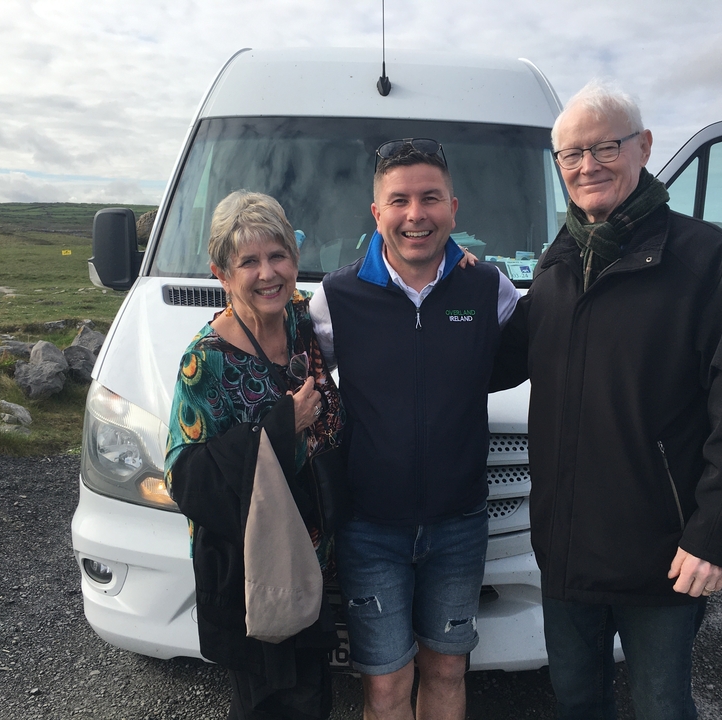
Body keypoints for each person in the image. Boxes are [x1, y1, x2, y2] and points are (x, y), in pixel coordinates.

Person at [492, 80, 722, 719]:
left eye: (604, 147)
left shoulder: (706, 260)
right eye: (571, 155)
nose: (587, 166)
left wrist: (716, 536)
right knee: (576, 701)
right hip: (567, 546)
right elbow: (499, 360)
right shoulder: (559, 264)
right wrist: (426, 302)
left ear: (643, 146)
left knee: (661, 706)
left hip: (662, 553)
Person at [309, 138, 520, 720]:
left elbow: (521, 357)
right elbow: (298, 374)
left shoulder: (488, 289)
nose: (415, 214)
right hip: (370, 529)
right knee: (385, 682)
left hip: (459, 524)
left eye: (430, 198)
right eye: (398, 200)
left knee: (449, 666)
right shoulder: (336, 297)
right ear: (376, 213)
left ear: (454, 207)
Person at [164, 190, 343, 720]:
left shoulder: (301, 322)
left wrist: (451, 261)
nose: (268, 273)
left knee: (314, 697)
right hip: (254, 569)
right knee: (271, 704)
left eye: (278, 255)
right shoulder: (205, 362)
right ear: (221, 272)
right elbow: (187, 478)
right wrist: (284, 426)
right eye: (248, 261)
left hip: (312, 558)